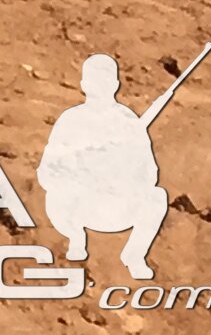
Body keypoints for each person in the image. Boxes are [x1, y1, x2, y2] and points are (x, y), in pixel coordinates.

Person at [37, 54, 172, 280]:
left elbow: (149, 173)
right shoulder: (70, 119)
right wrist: (79, 171)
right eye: (94, 81)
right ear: (83, 85)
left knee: (156, 197)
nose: (99, 86)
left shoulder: (128, 121)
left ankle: (135, 255)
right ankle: (76, 237)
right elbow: (48, 170)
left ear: (115, 85)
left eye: (105, 80)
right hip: (78, 206)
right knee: (58, 194)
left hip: (115, 205)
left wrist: (121, 170)